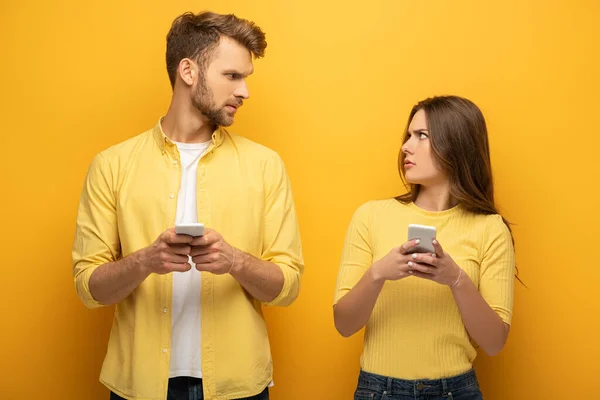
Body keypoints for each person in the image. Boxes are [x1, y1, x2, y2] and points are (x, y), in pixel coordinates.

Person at [72, 11, 303, 400]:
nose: (245, 91)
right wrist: (146, 260)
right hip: (141, 386)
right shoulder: (112, 165)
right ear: (188, 71)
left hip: (237, 385)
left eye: (246, 78)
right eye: (232, 76)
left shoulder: (266, 166)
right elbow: (87, 287)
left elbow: (289, 285)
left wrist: (235, 261)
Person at [333, 95, 515, 400]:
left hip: (456, 392)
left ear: (455, 145)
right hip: (379, 390)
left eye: (422, 136)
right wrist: (379, 273)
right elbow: (344, 324)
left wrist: (456, 279)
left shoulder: (490, 229)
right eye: (408, 135)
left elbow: (495, 342)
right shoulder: (371, 216)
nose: (406, 146)